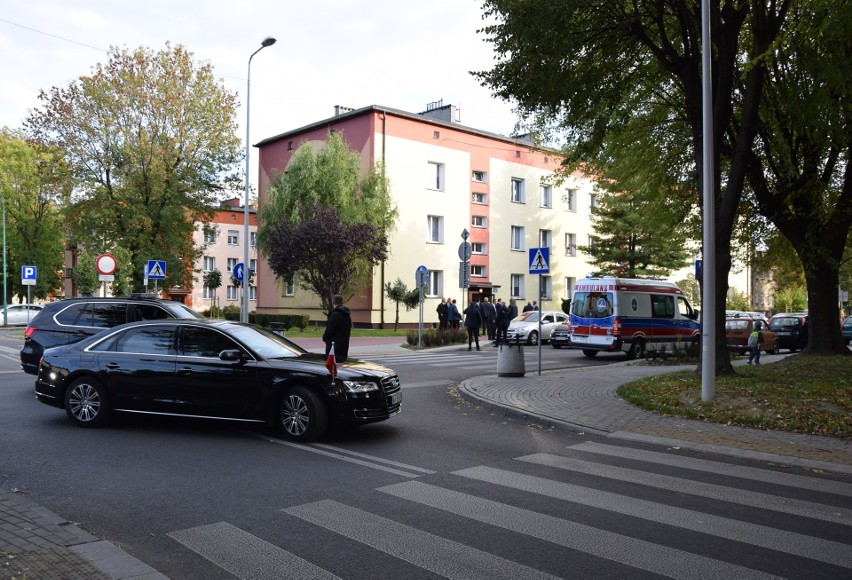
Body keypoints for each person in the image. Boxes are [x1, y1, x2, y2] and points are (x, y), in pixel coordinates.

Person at [322, 294, 352, 362]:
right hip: (344, 345)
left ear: (333, 302)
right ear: (341, 302)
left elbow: (329, 329)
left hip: (333, 346)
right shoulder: (347, 315)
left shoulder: (334, 314)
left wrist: (324, 337)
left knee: (332, 365)